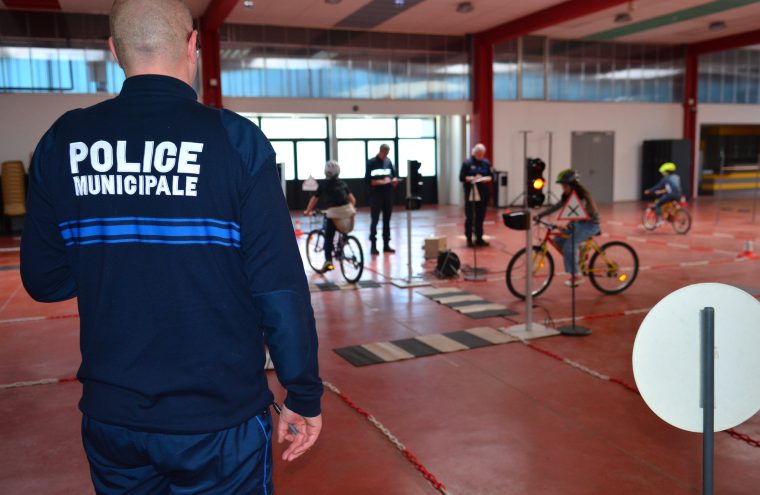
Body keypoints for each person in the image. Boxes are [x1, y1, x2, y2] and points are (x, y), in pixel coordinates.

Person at [19, 1, 322, 494]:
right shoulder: (237, 142)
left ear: (114, 50)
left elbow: (45, 280)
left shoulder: (63, 141)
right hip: (219, 421)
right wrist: (303, 392)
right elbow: (279, 291)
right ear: (193, 46)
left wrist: (111, 260)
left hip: (113, 419)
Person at [536, 169, 601, 287]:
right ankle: (581, 249)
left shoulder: (581, 197)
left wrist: (568, 226)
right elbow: (557, 206)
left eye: (565, 185)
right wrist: (540, 215)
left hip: (590, 224)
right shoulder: (567, 195)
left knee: (569, 245)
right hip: (579, 223)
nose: (563, 188)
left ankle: (576, 276)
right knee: (558, 241)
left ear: (572, 185)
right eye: (562, 185)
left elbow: (579, 215)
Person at [304, 160, 357, 272]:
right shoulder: (343, 183)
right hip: (348, 211)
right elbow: (353, 200)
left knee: (329, 236)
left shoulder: (323, 184)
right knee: (342, 227)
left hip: (333, 212)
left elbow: (314, 199)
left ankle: (328, 261)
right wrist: (346, 210)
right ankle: (344, 240)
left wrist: (308, 211)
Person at [366, 143, 398, 255]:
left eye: (387, 153)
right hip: (376, 196)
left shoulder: (389, 162)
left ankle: (386, 245)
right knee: (374, 220)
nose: (385, 155)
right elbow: (368, 181)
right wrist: (380, 182)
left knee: (387, 221)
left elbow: (393, 176)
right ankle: (373, 246)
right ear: (380, 151)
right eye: (384, 152)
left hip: (388, 195)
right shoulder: (371, 163)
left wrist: (394, 181)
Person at [459, 143, 493, 247]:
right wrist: (472, 178)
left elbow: (491, 176)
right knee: (470, 216)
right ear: (474, 153)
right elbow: (461, 177)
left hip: (483, 193)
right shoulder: (467, 163)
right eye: (478, 153)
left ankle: (479, 238)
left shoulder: (486, 163)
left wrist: (484, 178)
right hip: (471, 193)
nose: (480, 155)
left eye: (482, 154)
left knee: (480, 216)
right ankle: (469, 238)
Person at [644, 162, 682, 226]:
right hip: (678, 195)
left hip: (670, 195)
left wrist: (649, 191)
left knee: (657, 204)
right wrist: (662, 191)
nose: (662, 173)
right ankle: (670, 216)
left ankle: (660, 220)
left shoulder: (666, 178)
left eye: (663, 172)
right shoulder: (676, 177)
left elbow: (658, 186)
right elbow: (673, 188)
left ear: (666, 172)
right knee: (669, 206)